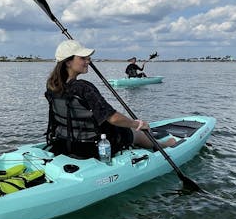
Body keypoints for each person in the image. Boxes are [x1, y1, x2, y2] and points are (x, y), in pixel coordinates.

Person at [45, 40, 176, 159]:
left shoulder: (52, 86)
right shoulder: (83, 88)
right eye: (83, 58)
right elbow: (113, 117)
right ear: (68, 62)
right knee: (134, 131)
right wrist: (137, 124)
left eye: (88, 58)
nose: (88, 61)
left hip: (63, 142)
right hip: (90, 147)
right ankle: (163, 145)